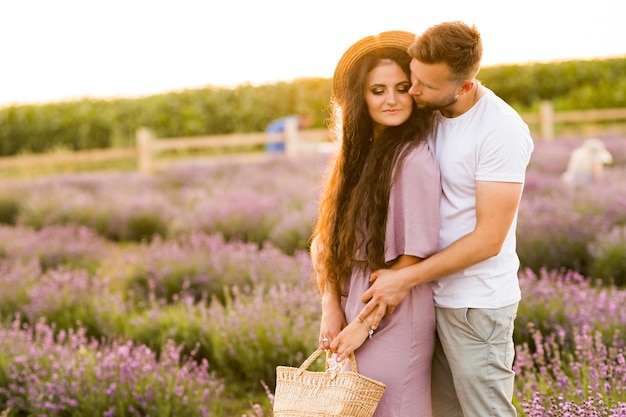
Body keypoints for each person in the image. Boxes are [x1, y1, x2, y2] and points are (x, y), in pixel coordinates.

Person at [356, 21, 534, 416]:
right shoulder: (431, 112)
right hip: (432, 299)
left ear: (465, 87)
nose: (412, 91)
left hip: (475, 305)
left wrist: (403, 278)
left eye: (424, 85)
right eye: (413, 77)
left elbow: (489, 238)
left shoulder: (500, 130)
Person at [310, 31, 441, 416]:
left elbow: (410, 261)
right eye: (378, 90)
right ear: (360, 97)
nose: (392, 100)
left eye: (402, 88)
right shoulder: (354, 158)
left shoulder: (413, 159)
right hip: (354, 303)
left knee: (390, 408)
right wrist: (330, 304)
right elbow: (326, 241)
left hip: (396, 313)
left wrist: (363, 327)